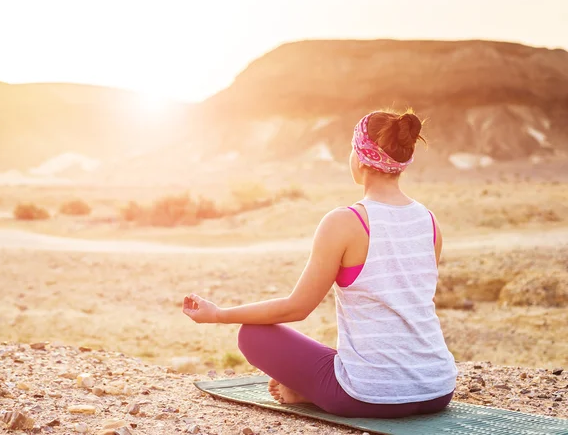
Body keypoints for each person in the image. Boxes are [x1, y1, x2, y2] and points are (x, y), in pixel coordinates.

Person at [182, 110, 457, 418]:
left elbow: (296, 308)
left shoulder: (346, 221)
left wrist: (218, 315)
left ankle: (308, 391)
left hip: (368, 396)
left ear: (361, 158)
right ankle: (309, 389)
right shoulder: (430, 222)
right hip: (437, 389)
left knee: (252, 335)